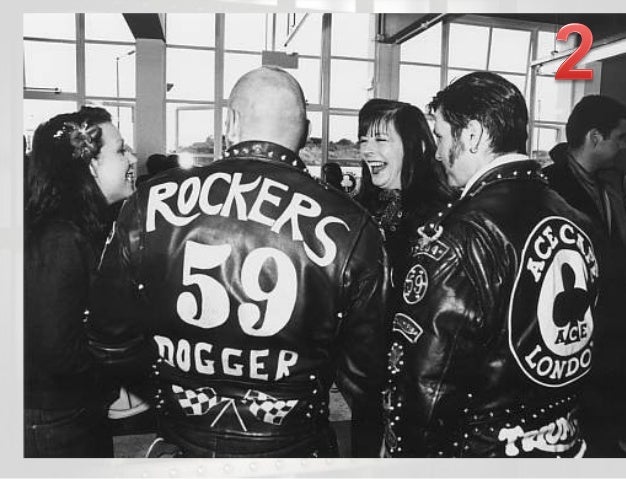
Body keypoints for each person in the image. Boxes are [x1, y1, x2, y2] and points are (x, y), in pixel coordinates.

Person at [86, 66, 389, 458]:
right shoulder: (351, 224)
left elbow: (108, 340)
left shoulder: (149, 202)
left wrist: (171, 393)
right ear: (306, 130)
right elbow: (365, 376)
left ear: (230, 122)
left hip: (184, 443)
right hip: (293, 447)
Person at [382, 72, 602, 458]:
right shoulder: (579, 220)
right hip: (565, 443)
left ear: (472, 136)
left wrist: (402, 454)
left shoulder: (462, 233)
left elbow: (426, 382)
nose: (437, 153)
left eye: (441, 137)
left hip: (481, 451)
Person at [24, 106, 138, 457]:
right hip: (56, 419)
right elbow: (55, 351)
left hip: (69, 409)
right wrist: (115, 374)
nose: (133, 158)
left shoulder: (81, 227)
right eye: (121, 150)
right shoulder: (60, 237)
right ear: (90, 167)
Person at [544, 95, 626, 457]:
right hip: (570, 328)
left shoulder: (609, 187)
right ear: (595, 137)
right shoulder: (548, 188)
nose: (624, 146)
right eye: (620, 137)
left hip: (611, 330)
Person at [356, 98, 452, 276]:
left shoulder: (441, 217)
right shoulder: (355, 209)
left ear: (418, 146)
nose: (367, 150)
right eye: (363, 141)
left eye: (381, 140)